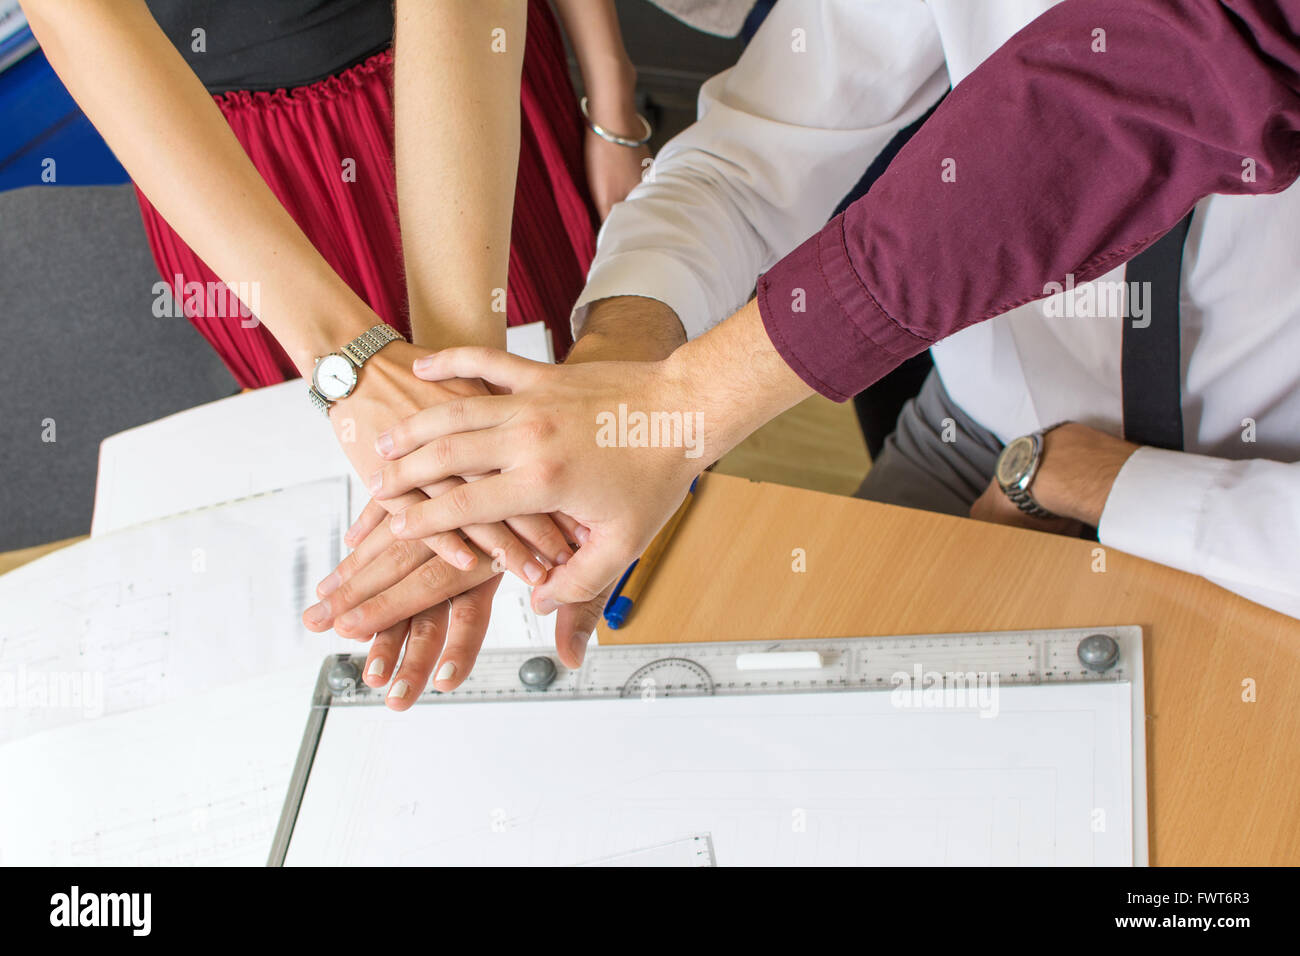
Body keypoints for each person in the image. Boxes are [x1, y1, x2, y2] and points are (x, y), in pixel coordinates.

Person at [314, 0, 1300, 684]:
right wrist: (616, 382)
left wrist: (1098, 482)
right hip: (975, 441)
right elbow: (752, 161)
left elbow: (1130, 96)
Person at [20, 0, 650, 706]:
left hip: (462, 96)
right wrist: (348, 363)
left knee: (568, 421)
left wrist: (451, 399)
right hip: (225, 168)